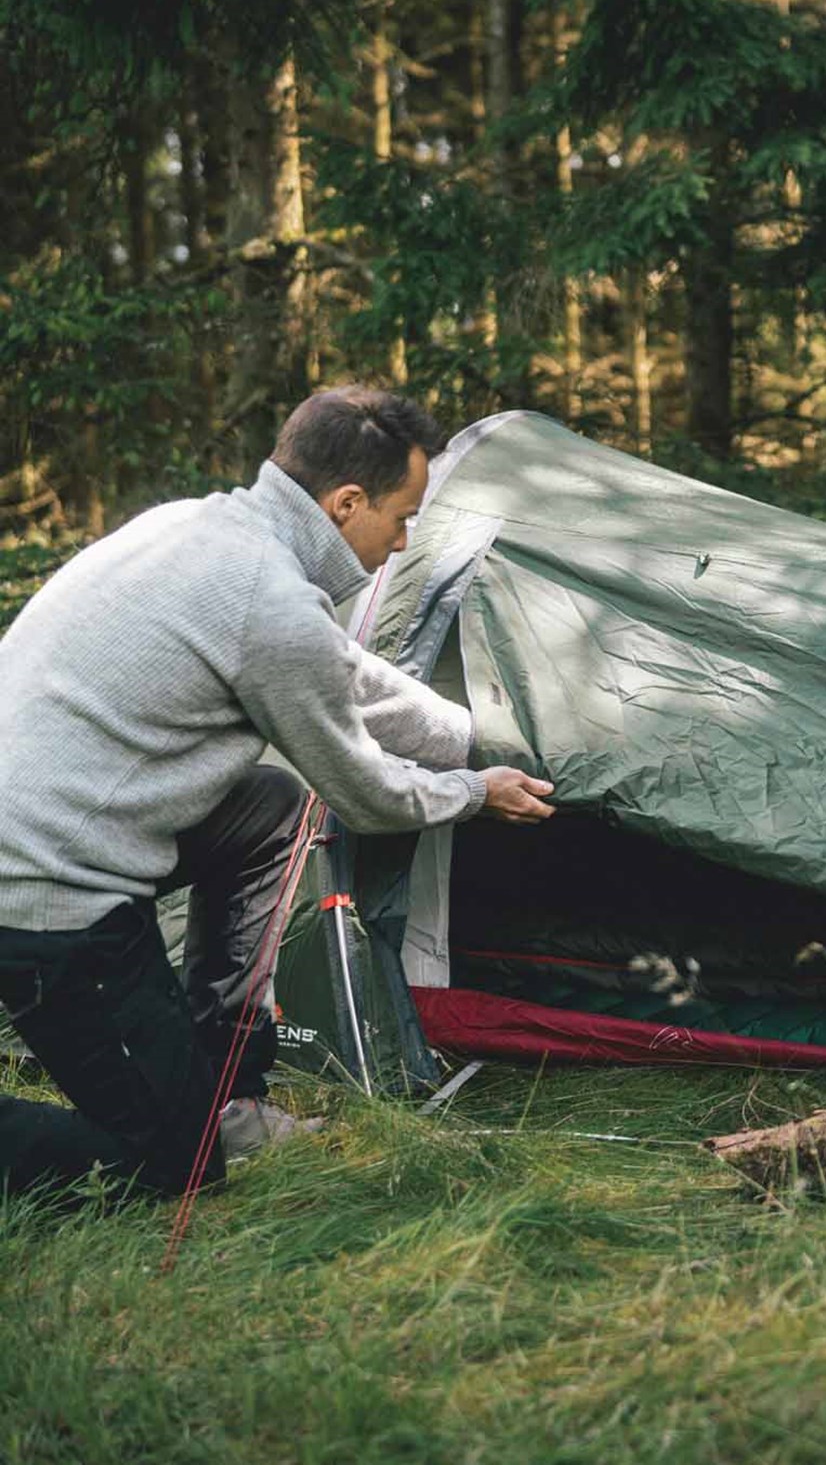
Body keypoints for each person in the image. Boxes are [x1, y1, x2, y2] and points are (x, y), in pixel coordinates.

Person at [0, 386, 554, 1201]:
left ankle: (230, 1090)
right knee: (175, 1170)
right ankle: (192, 1125)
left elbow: (348, 675)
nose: (404, 543)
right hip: (44, 892)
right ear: (346, 503)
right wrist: (474, 790)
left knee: (270, 810)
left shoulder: (201, 530)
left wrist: (474, 735)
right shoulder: (269, 602)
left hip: (59, 827)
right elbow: (362, 790)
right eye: (401, 518)